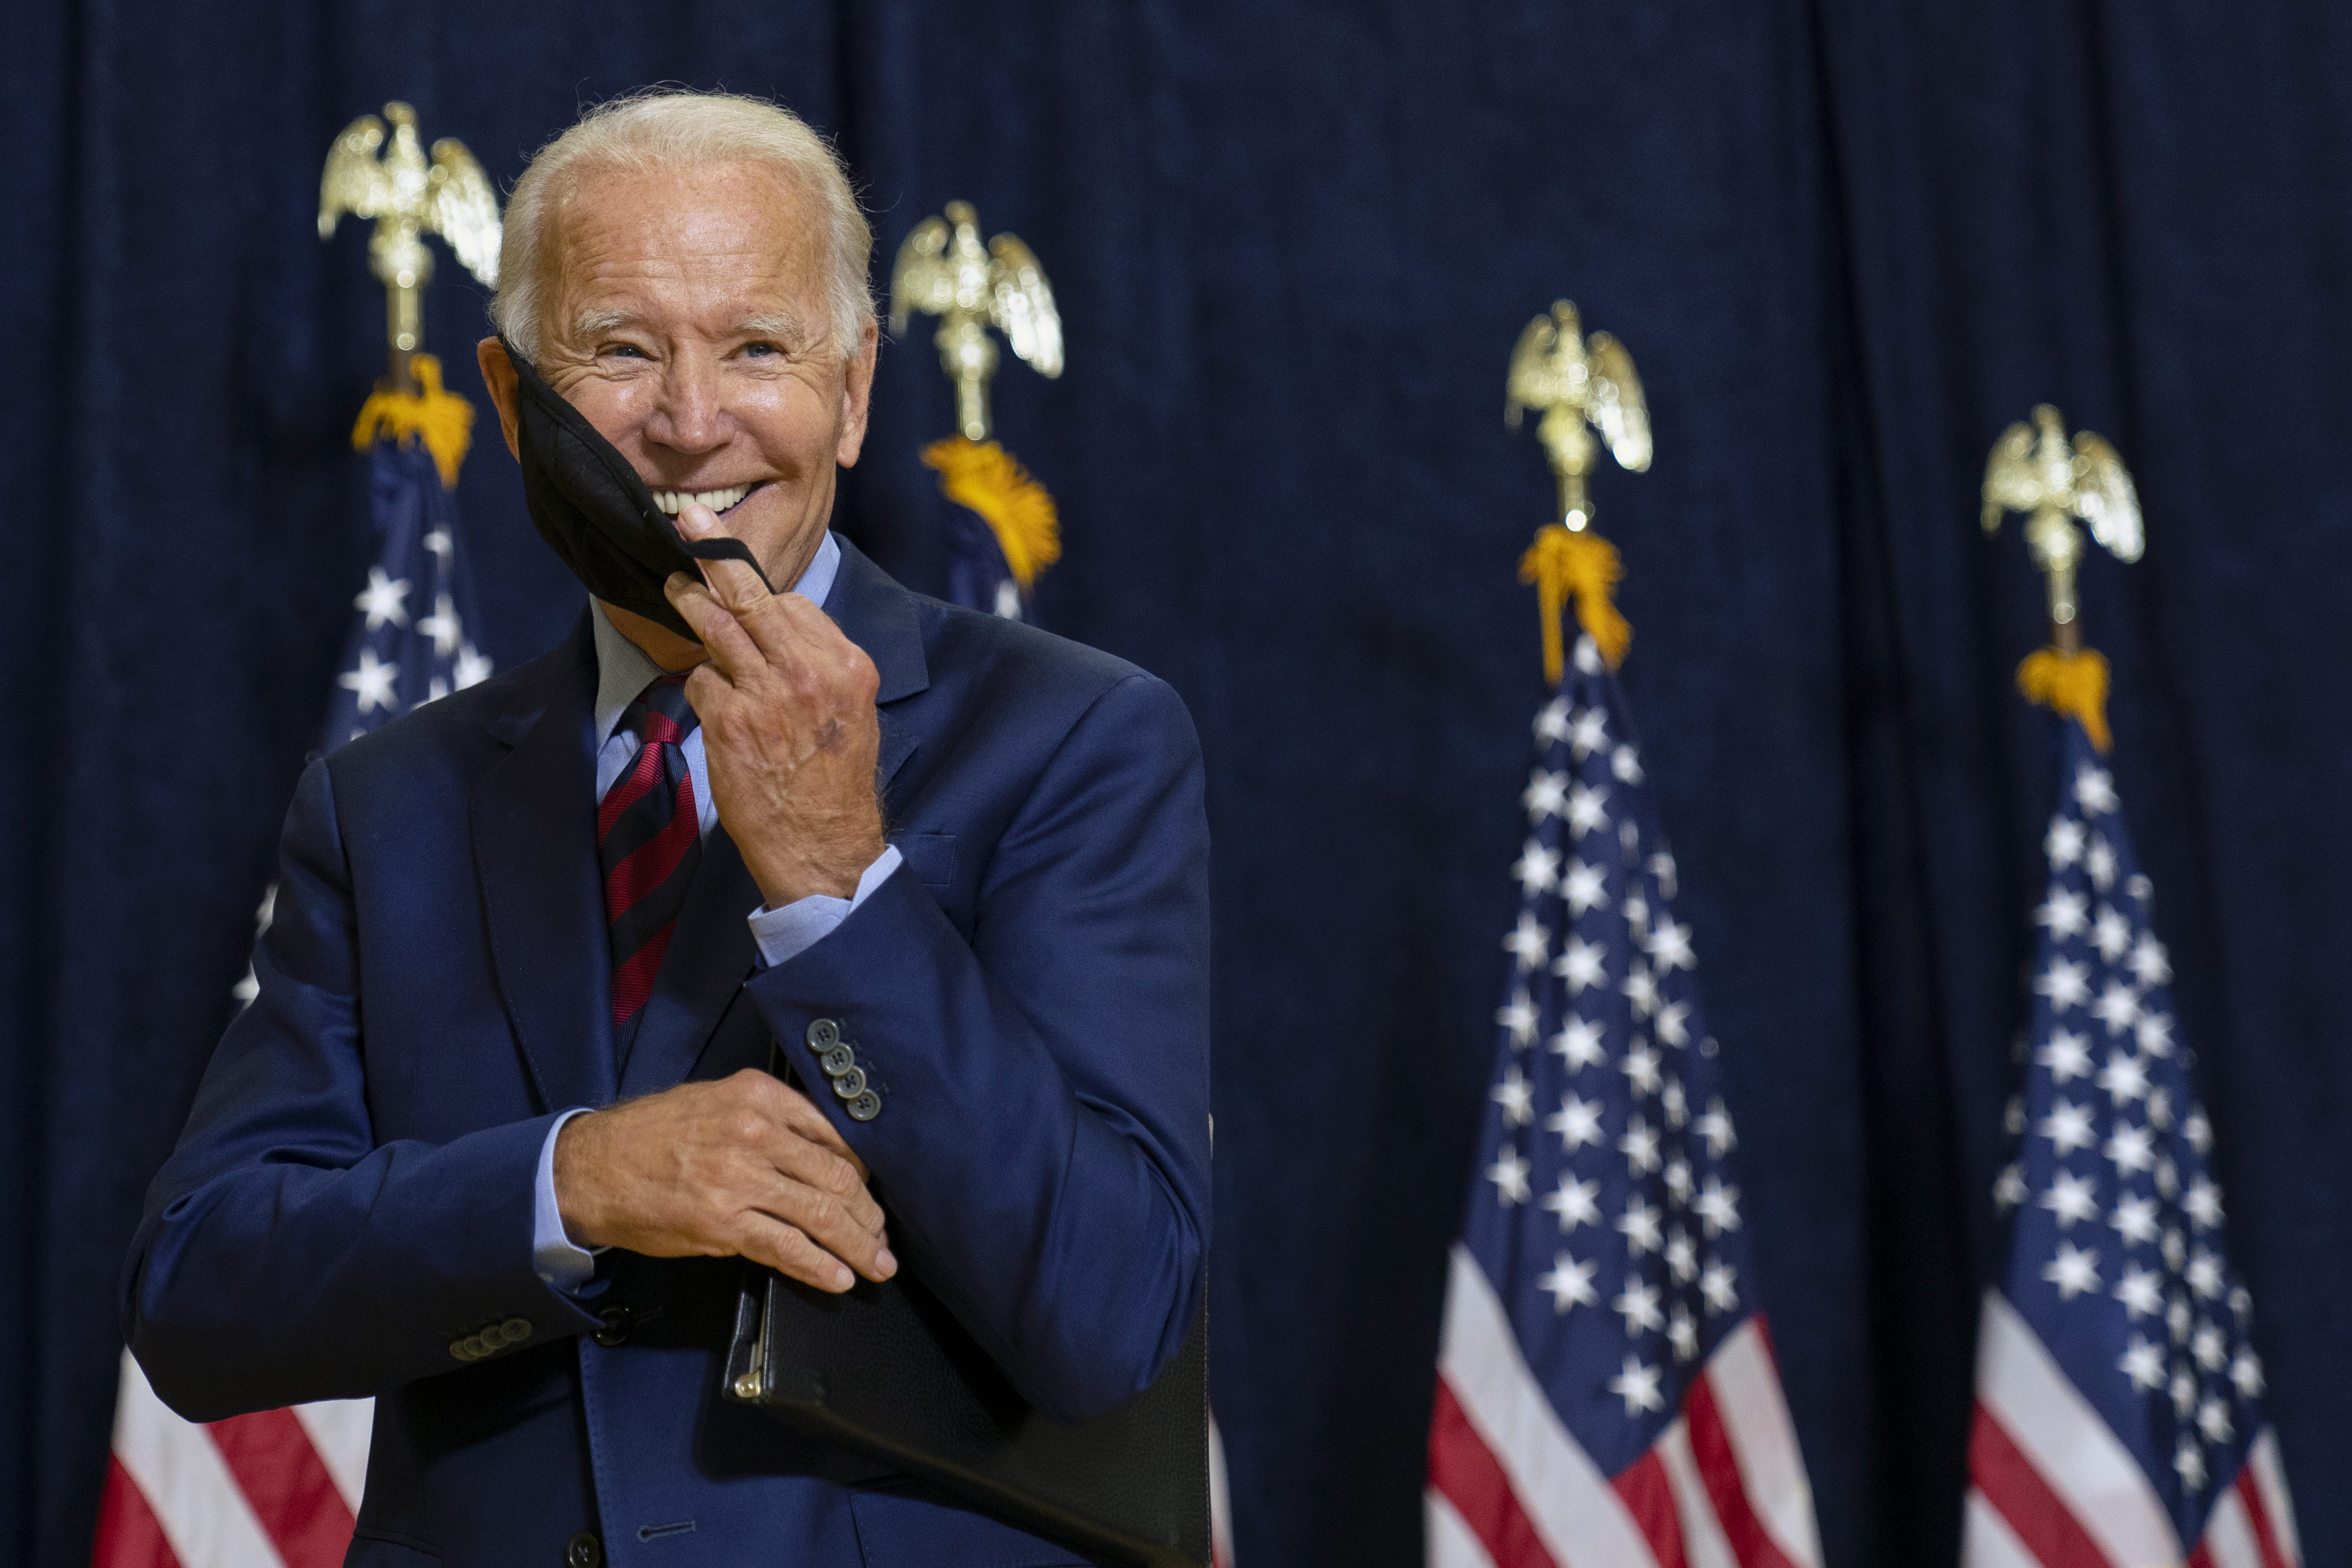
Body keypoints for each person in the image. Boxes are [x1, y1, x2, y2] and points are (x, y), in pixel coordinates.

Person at [123, 90, 1209, 1568]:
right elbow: (198, 1295)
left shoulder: (1079, 741)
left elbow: (1108, 1316)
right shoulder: (389, 802)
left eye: (757, 348)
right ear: (513, 403)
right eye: (621, 351)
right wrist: (572, 1184)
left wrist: (840, 891)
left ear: (854, 389)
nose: (691, 425)